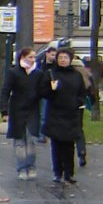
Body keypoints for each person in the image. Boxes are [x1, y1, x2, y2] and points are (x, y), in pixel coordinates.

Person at [40, 47, 85, 186]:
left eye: (65, 58)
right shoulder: (51, 74)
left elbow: (81, 92)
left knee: (69, 146)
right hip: (55, 114)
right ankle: (57, 172)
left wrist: (78, 103)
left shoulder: (76, 75)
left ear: (70, 59)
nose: (63, 60)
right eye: (60, 58)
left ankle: (69, 173)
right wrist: (52, 90)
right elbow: (43, 92)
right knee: (57, 145)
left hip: (71, 114)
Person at [0, 47, 42, 180]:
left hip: (32, 110)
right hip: (17, 110)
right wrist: (4, 111)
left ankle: (31, 166)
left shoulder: (38, 73)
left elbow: (43, 90)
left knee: (31, 140)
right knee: (19, 141)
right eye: (30, 57)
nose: (33, 59)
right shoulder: (14, 73)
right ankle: (21, 168)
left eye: (34, 57)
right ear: (22, 58)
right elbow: (5, 91)